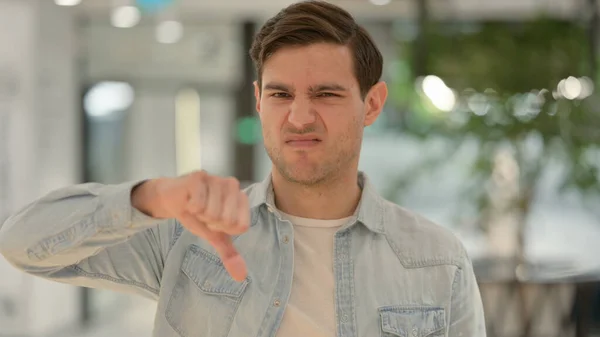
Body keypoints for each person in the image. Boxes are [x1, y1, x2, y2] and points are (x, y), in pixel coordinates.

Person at [0, 1, 486, 336]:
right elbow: (21, 244)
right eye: (280, 94)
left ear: (372, 103)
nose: (298, 116)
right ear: (258, 101)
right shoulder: (186, 237)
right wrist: (149, 198)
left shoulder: (435, 259)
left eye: (326, 94)